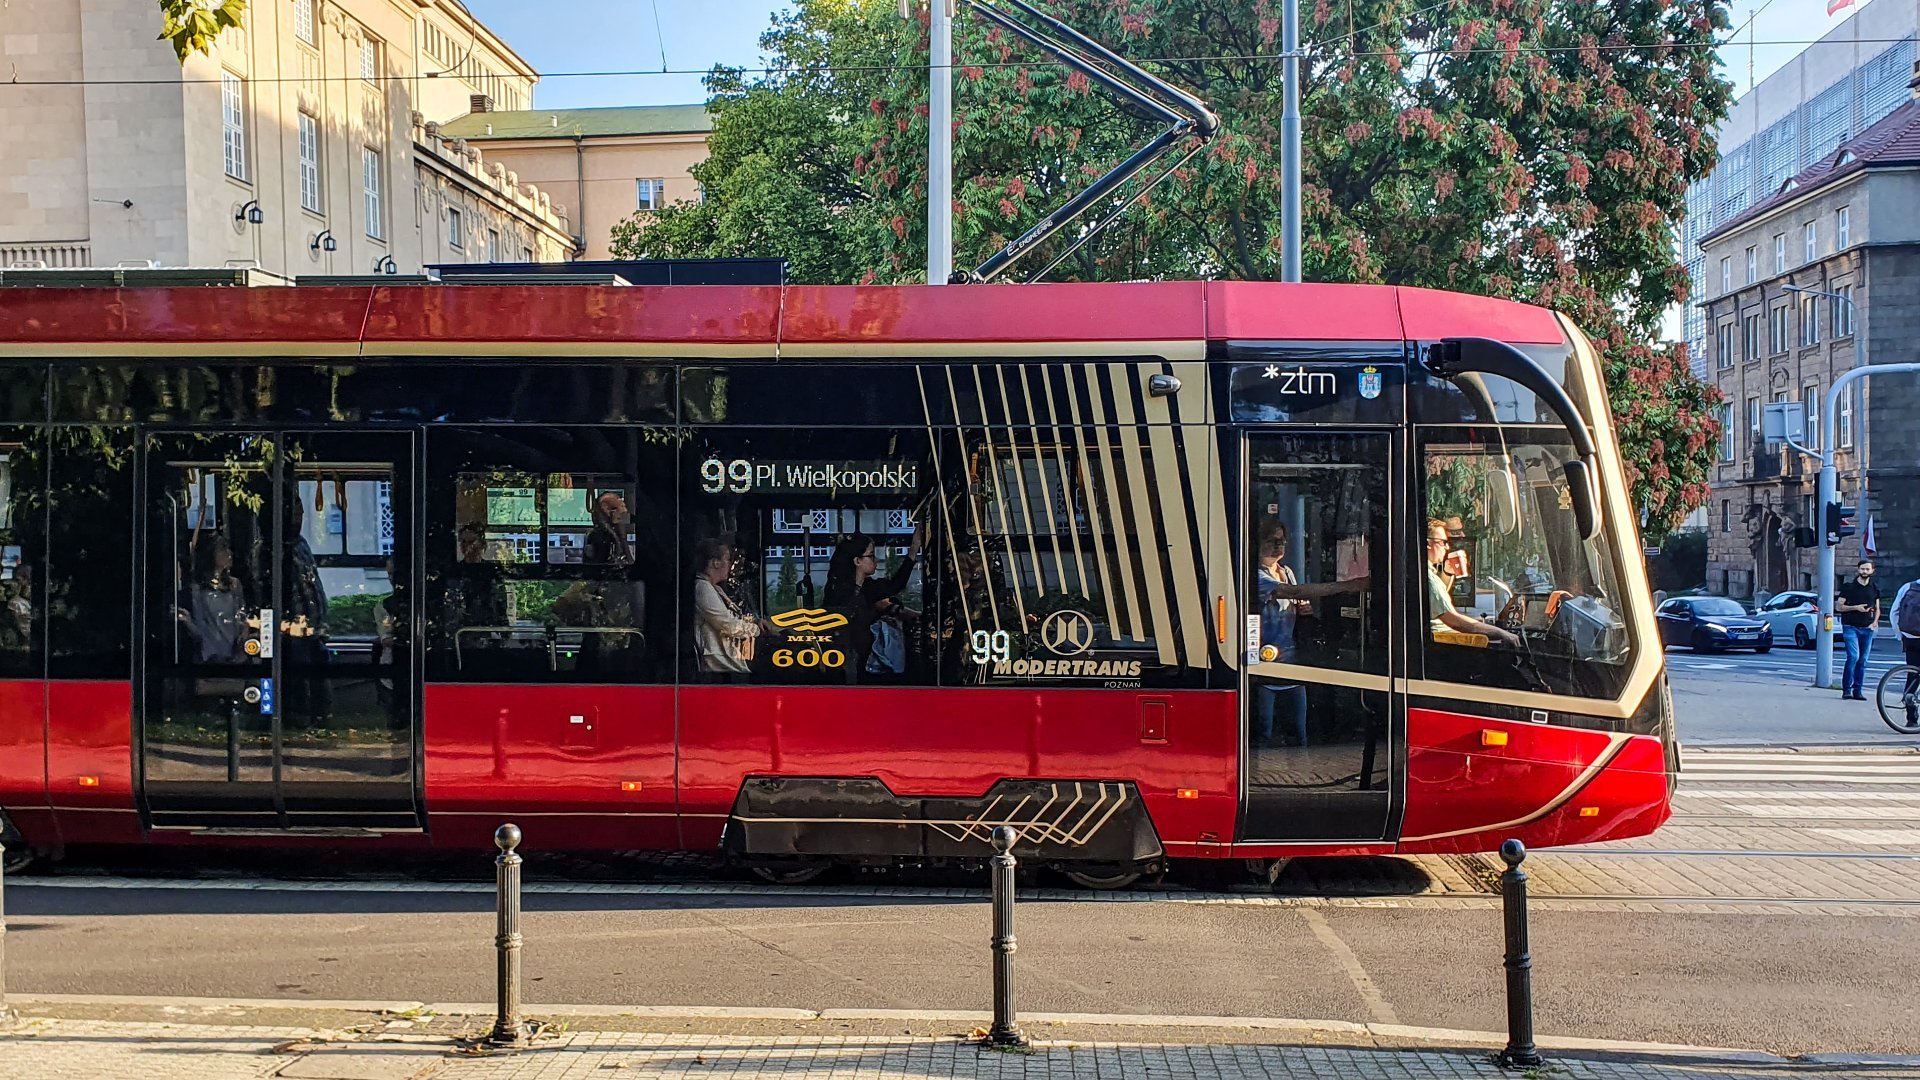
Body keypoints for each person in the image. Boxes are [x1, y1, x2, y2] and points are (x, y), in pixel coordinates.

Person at [1253, 523, 1367, 747]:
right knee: (1263, 735)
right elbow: (1293, 592)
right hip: (1264, 665)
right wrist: (1348, 586)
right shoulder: (1255, 575)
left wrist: (1304, 609)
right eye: (1271, 541)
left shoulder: (1286, 572)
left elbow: (1297, 600)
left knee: (1299, 734)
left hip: (1293, 662)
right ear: (1257, 544)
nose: (1279, 546)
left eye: (1282, 540)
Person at [824, 527, 922, 676]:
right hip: (844, 665)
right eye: (871, 556)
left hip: (862, 662)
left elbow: (896, 585)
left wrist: (914, 550)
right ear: (857, 561)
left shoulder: (868, 588)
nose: (876, 560)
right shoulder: (838, 592)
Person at [1426, 518, 1520, 647]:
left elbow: (1435, 603)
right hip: (1445, 645)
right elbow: (1456, 622)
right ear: (1428, 544)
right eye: (1443, 542)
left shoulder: (1427, 575)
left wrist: (1447, 572)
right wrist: (1502, 633)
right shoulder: (1429, 579)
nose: (1447, 547)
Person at [692, 537, 769, 676]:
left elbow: (734, 617)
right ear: (715, 563)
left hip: (729, 660)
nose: (730, 565)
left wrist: (754, 622)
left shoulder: (715, 589)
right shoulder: (702, 589)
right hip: (720, 665)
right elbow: (728, 624)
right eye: (727, 559)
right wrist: (756, 630)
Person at [185, 536, 251, 663]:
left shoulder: (234, 584)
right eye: (222, 549)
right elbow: (200, 624)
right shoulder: (198, 588)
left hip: (234, 655)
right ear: (211, 555)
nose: (229, 553)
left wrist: (244, 629)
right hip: (209, 656)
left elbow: (241, 615)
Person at [1837, 559, 1881, 701]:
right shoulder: (1848, 587)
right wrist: (1855, 608)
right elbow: (1839, 607)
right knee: (1853, 657)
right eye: (1862, 569)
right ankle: (1846, 689)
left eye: (1867, 569)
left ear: (1872, 571)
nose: (1864, 572)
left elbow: (1877, 608)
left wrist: (1875, 622)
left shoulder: (1874, 588)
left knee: (1863, 661)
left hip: (1867, 628)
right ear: (1858, 570)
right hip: (1850, 627)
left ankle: (1858, 690)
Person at [1891, 574, 1920, 724]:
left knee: (1912, 674)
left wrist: (1900, 635)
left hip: (1910, 637)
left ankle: (1911, 719)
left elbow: (1894, 612)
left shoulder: (1908, 587)